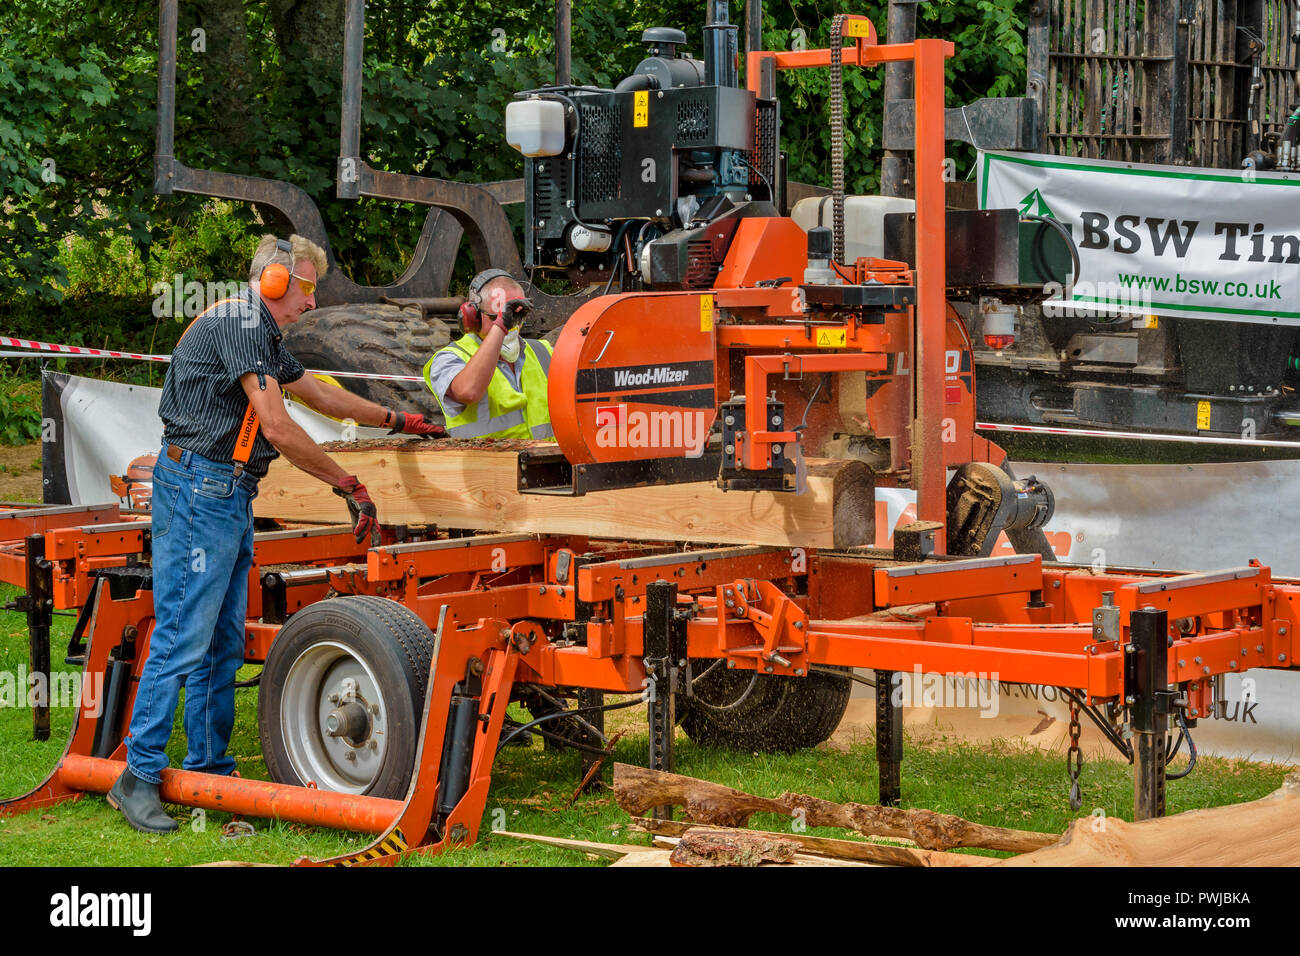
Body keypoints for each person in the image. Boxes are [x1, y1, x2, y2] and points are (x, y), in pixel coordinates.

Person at [107, 234, 444, 834]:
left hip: (227, 493)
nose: (312, 304)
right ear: (274, 283)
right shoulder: (241, 322)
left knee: (222, 644)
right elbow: (280, 426)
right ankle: (138, 774)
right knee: (182, 638)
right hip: (198, 490)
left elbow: (316, 391)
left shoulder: (260, 332)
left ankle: (210, 767)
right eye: (307, 289)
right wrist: (348, 483)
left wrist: (398, 418)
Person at [423, 268, 555, 440]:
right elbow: (469, 392)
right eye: (498, 317)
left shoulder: (543, 352)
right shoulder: (450, 357)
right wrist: (500, 327)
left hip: (545, 461)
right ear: (473, 317)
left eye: (517, 316)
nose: (512, 327)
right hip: (487, 464)